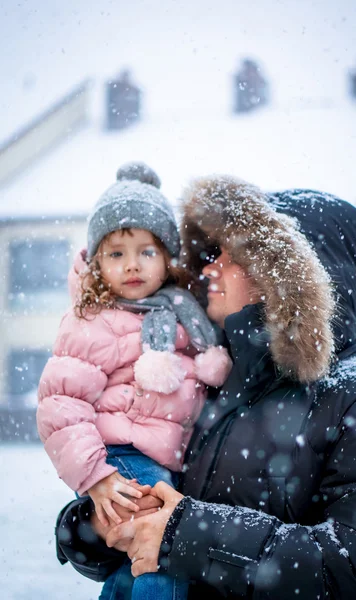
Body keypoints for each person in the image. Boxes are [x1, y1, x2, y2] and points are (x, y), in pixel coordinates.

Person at [55, 178, 356, 598]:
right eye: (213, 252)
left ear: (283, 276)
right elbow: (142, 500)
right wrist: (94, 525)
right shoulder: (213, 380)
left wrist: (188, 534)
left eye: (231, 256)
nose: (208, 267)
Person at [36, 163, 232, 600]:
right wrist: (96, 475)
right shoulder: (94, 321)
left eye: (147, 251)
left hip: (163, 459)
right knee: (165, 549)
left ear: (167, 259)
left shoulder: (183, 315)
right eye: (117, 253)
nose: (132, 265)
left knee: (135, 561)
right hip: (120, 457)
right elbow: (60, 405)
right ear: (97, 261)